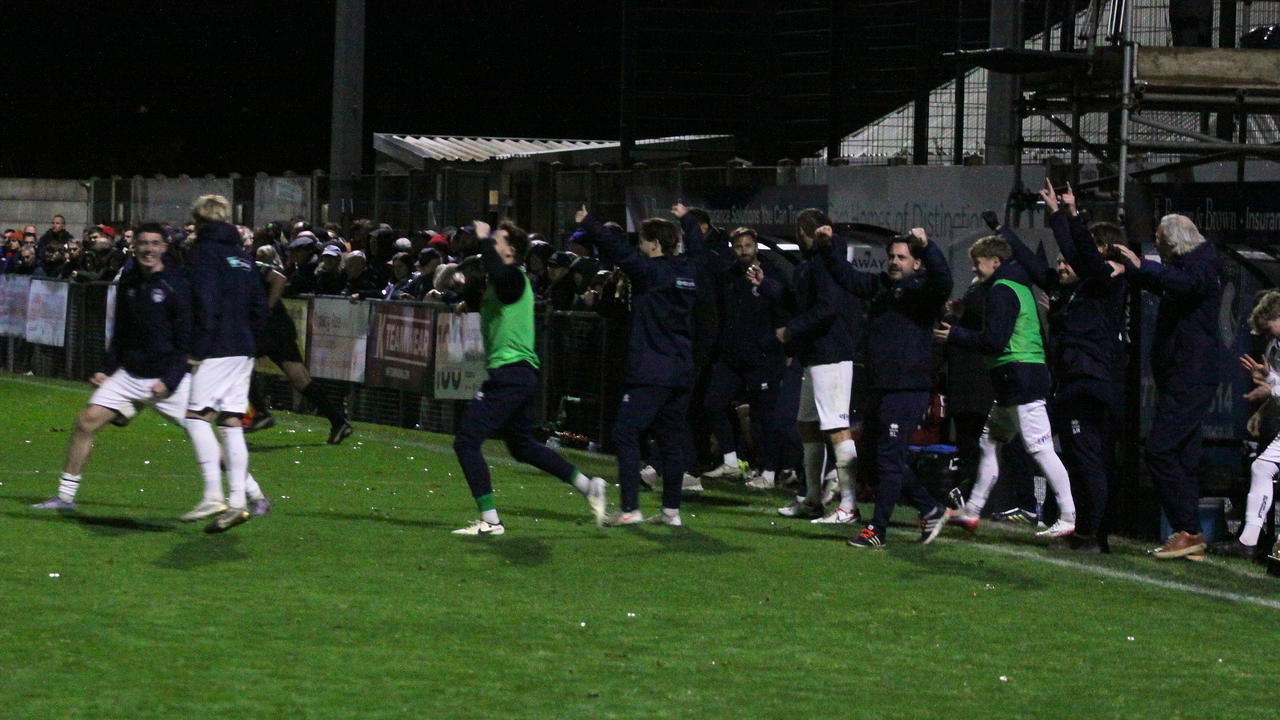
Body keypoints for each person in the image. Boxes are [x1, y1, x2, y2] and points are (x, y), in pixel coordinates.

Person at [30, 224, 268, 516]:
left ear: (164, 248)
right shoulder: (130, 281)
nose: (148, 249)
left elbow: (185, 342)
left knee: (205, 440)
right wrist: (107, 368)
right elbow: (121, 331)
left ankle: (255, 496)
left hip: (167, 379)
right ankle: (65, 497)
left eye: (155, 243)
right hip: (130, 376)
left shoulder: (175, 284)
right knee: (86, 422)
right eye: (143, 243)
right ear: (134, 247)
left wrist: (169, 380)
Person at [450, 220, 606, 535]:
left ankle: (491, 520)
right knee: (521, 446)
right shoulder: (503, 282)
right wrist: (467, 295)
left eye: (498, 241)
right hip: (519, 374)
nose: (493, 245)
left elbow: (500, 275)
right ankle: (588, 486)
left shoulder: (514, 278)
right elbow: (492, 300)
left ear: (511, 251)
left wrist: (483, 239)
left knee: (466, 441)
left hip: (511, 374)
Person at [996, 180, 1128, 551]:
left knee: (1088, 461)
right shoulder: (1083, 288)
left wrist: (1067, 215)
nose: (1065, 260)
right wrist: (1012, 232)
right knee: (1085, 458)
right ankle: (1088, 531)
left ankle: (1090, 533)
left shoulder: (1104, 281)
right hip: (1080, 380)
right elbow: (1043, 268)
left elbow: (1078, 250)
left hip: (1087, 381)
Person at [933, 233, 1078, 539]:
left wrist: (955, 335)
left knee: (1040, 449)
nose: (974, 269)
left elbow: (995, 341)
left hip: (1020, 380)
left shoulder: (1001, 289)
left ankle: (1068, 516)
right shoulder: (1014, 286)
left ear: (996, 262)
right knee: (990, 444)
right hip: (1013, 381)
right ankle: (972, 511)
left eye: (978, 263)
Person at [821, 227, 955, 548]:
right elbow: (850, 280)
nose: (894, 262)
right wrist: (829, 247)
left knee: (889, 459)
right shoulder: (883, 286)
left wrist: (928, 246)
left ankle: (877, 529)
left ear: (917, 263)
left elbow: (944, 282)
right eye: (892, 256)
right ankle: (930, 508)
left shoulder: (923, 293)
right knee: (871, 458)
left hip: (907, 388)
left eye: (902, 257)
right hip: (881, 386)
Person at [575, 204, 707, 526]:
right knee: (671, 440)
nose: (639, 247)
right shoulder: (690, 271)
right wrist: (687, 219)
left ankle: (631, 508)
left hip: (652, 369)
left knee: (625, 431)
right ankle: (671, 512)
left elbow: (618, 251)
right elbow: (699, 248)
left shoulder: (651, 273)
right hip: (681, 369)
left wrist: (590, 223)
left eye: (644, 241)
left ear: (654, 245)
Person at [1113, 214, 1223, 560]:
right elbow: (1170, 283)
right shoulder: (1191, 265)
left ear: (1172, 241)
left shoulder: (1203, 264)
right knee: (1182, 455)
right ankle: (1190, 535)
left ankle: (1188, 529)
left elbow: (1183, 284)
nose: (1157, 247)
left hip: (1190, 376)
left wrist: (1141, 265)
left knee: (1160, 450)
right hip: (1182, 375)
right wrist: (1132, 271)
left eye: (1159, 241)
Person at [184, 195, 269, 533]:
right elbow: (260, 307)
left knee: (195, 417)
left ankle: (212, 494)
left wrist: (197, 349)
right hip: (243, 347)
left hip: (217, 344)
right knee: (231, 421)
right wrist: (254, 344)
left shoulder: (203, 253)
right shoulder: (242, 257)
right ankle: (237, 502)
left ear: (201, 221)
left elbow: (205, 303)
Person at [774, 210, 860, 524]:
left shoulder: (826, 260)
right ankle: (812, 498)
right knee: (807, 425)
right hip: (815, 355)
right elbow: (804, 302)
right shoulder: (814, 261)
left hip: (831, 354)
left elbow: (827, 308)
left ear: (802, 230)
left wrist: (792, 330)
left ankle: (848, 506)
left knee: (837, 428)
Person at [701, 227, 790, 485]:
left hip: (763, 357)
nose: (743, 250)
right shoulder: (728, 276)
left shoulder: (770, 275)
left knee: (765, 417)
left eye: (748, 245)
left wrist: (780, 346)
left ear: (756, 247)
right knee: (713, 403)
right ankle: (731, 461)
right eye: (738, 246)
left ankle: (770, 472)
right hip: (732, 356)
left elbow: (783, 308)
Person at [246, 247, 353, 443]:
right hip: (271, 327)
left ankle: (260, 413)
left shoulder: (246, 265)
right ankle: (339, 422)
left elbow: (279, 279)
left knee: (242, 365)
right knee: (298, 378)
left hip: (274, 327)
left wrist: (266, 311)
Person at [1236, 290, 1280, 562]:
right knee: (1261, 467)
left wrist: (1270, 386)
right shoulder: (1276, 346)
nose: (1270, 336)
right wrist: (1264, 408)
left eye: (1271, 328)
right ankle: (1248, 540)